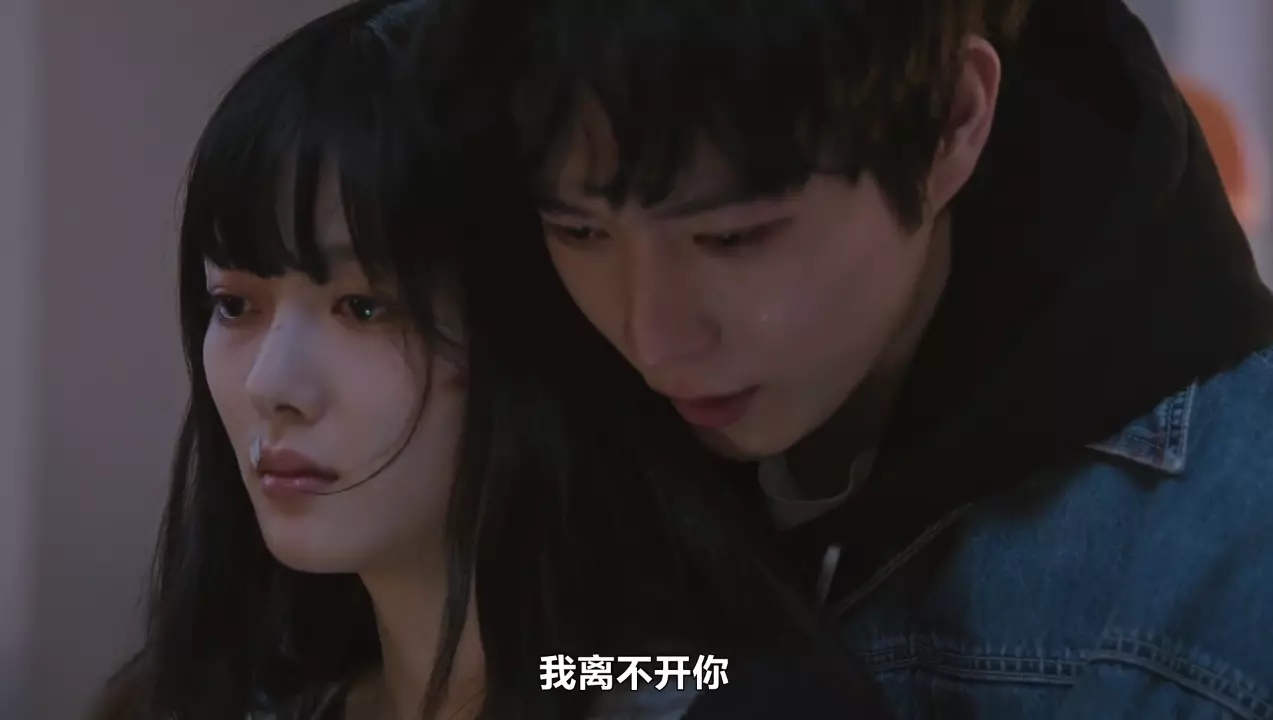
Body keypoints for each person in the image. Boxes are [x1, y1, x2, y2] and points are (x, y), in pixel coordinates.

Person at [411, 0, 1273, 716]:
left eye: (731, 238)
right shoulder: (522, 389)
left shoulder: (1219, 557)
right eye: (579, 231)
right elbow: (585, 672)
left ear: (952, 124)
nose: (652, 341)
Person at [89, 1, 891, 718]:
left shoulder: (715, 695)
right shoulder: (200, 701)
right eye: (234, 305)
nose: (270, 385)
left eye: (365, 308)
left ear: (525, 322)